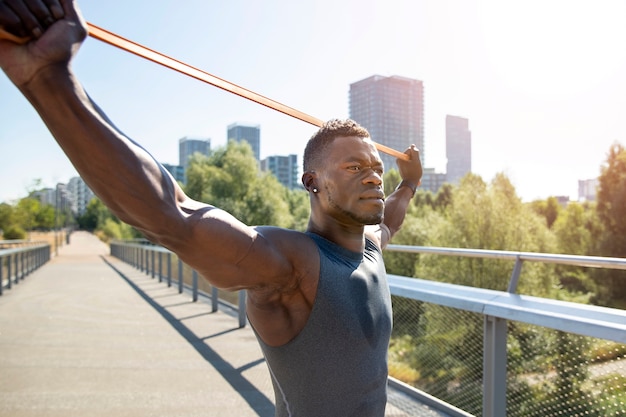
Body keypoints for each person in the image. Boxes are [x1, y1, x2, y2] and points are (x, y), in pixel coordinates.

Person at [0, 1, 423, 416]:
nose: (372, 177)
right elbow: (173, 216)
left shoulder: (369, 247)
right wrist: (48, 79)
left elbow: (392, 215)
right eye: (353, 167)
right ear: (311, 182)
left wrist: (409, 181)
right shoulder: (290, 266)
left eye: (376, 169)